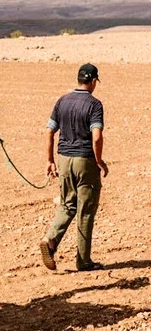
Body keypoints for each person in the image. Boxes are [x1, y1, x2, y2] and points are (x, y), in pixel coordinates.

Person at [40, 63, 108, 271]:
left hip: (64, 159)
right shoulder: (94, 105)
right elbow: (96, 136)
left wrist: (50, 160)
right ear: (94, 81)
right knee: (86, 211)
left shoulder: (62, 101)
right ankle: (83, 261)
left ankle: (50, 240)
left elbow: (49, 131)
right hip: (84, 160)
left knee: (68, 205)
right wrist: (99, 160)